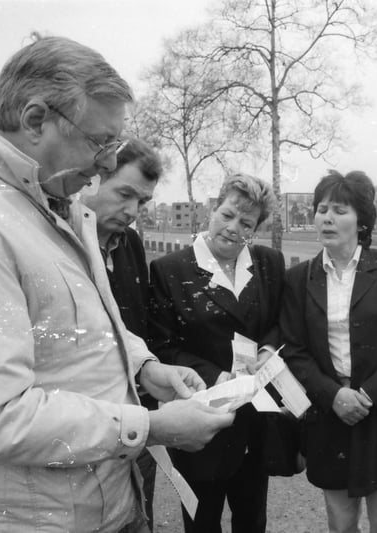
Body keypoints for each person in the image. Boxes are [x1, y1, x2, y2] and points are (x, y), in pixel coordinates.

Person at [0, 35, 236, 532]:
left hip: (100, 504)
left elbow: (79, 327)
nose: (108, 164)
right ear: (34, 121)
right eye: (98, 142)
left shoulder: (51, 202)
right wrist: (150, 427)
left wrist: (148, 369)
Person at [281, 170, 377, 533]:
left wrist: (366, 396)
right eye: (322, 209)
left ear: (362, 221)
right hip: (331, 418)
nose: (327, 217)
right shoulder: (299, 279)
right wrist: (334, 397)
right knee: (341, 525)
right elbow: (294, 351)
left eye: (340, 210)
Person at [148, 172, 283, 533]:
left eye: (247, 222)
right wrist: (212, 375)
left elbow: (280, 321)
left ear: (256, 229)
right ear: (214, 207)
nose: (233, 228)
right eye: (227, 214)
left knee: (252, 519)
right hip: (200, 414)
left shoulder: (269, 264)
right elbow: (162, 346)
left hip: (254, 417)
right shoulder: (170, 270)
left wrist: (269, 349)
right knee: (202, 522)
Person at [81, 137, 163, 531]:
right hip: (88, 428)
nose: (132, 211)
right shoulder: (67, 243)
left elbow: (133, 325)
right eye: (125, 194)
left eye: (142, 202)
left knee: (139, 513)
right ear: (95, 179)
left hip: (139, 414)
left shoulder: (130, 242)